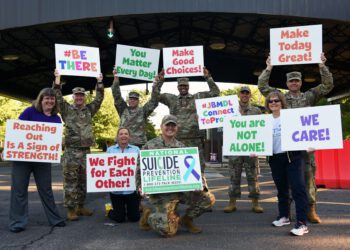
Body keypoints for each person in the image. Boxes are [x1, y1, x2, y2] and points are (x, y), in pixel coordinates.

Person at [258, 53, 334, 223]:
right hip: (285, 150)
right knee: (286, 182)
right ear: (287, 83)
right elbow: (262, 86)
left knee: (308, 179)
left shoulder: (308, 96)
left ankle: (310, 209)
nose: (294, 83)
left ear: (300, 82)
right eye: (291, 81)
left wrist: (322, 66)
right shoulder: (280, 97)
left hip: (304, 148)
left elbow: (328, 85)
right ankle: (287, 212)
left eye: (296, 80)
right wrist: (269, 67)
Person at [138, 115, 212, 237]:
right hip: (161, 194)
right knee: (168, 231)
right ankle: (150, 213)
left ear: (177, 128)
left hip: (180, 190)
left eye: (173, 126)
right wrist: (140, 186)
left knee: (207, 198)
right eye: (167, 125)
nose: (170, 128)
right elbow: (139, 169)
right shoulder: (149, 146)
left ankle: (186, 219)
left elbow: (194, 168)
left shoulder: (182, 147)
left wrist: (200, 184)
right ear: (161, 127)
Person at [9, 88, 66, 233]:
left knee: (46, 190)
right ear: (41, 99)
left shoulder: (56, 119)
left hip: (42, 160)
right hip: (23, 159)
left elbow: (55, 141)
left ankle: (55, 219)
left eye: (52, 99)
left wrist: (60, 142)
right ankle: (17, 223)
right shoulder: (30, 112)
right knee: (19, 190)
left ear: (55, 101)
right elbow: (17, 130)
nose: (50, 101)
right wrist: (8, 148)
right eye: (46, 98)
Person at [53, 69, 104, 221]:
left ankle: (80, 206)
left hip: (86, 151)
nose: (79, 97)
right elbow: (58, 97)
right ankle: (70, 209)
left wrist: (99, 82)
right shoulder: (67, 110)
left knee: (83, 181)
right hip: (71, 151)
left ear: (84, 97)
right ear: (74, 97)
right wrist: (57, 80)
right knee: (70, 181)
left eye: (82, 95)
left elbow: (99, 99)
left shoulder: (89, 110)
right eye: (77, 95)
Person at [159, 67, 220, 191]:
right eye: (181, 85)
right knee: (177, 169)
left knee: (198, 168)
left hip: (195, 140)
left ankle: (203, 196)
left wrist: (208, 77)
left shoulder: (197, 97)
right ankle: (176, 198)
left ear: (188, 86)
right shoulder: (171, 99)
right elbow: (155, 97)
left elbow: (215, 92)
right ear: (177, 87)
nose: (183, 87)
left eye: (185, 86)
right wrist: (160, 81)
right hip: (177, 141)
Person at [266, 91, 309, 236]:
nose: (273, 103)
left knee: (298, 189)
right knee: (282, 189)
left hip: (293, 157)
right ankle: (284, 216)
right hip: (276, 158)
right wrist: (255, 149)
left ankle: (302, 223)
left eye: (276, 101)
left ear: (282, 102)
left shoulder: (292, 117)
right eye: (270, 101)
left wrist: (311, 144)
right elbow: (258, 140)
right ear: (268, 104)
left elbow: (307, 129)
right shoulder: (264, 120)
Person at [224, 86, 263, 213]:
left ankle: (255, 203)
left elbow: (262, 129)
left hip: (250, 149)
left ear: (250, 95)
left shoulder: (256, 111)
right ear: (239, 95)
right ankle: (232, 202)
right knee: (234, 177)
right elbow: (220, 123)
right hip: (235, 149)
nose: (245, 95)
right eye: (243, 93)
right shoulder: (230, 110)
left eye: (247, 93)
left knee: (253, 177)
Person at [111, 69, 163, 148]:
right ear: (128, 100)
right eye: (131, 99)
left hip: (139, 144)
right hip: (122, 143)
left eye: (135, 99)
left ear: (138, 101)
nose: (132, 100)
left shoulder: (143, 111)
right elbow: (116, 95)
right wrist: (116, 78)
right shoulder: (123, 109)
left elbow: (154, 101)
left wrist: (156, 84)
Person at [106, 127, 140, 223]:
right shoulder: (110, 150)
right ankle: (110, 211)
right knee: (119, 219)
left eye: (126, 134)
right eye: (121, 134)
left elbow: (140, 166)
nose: (123, 136)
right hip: (116, 191)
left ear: (129, 137)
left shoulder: (136, 149)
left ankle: (134, 209)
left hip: (132, 190)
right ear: (117, 137)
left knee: (134, 218)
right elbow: (104, 168)